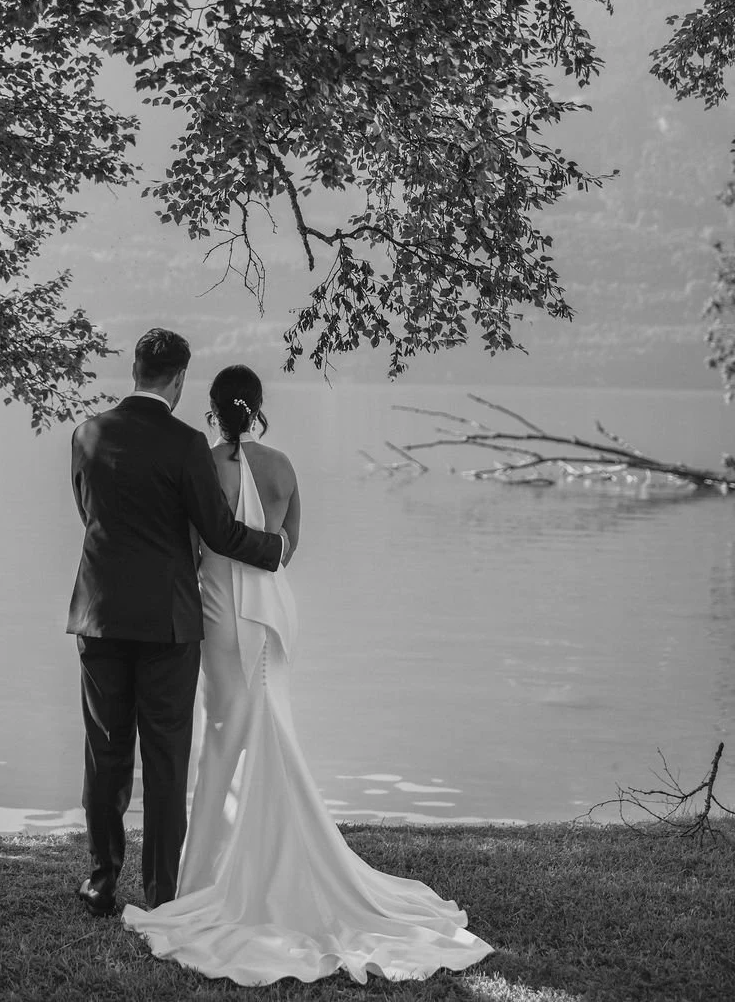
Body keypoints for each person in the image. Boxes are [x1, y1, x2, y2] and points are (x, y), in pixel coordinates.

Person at [122, 364, 494, 985]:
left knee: (222, 741)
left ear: (212, 410)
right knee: (272, 729)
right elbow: (289, 543)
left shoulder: (200, 465)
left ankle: (208, 880)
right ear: (258, 406)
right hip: (274, 613)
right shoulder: (284, 467)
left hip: (219, 616)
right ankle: (276, 860)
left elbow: (194, 547)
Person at [66, 330, 289, 917]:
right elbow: (217, 531)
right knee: (165, 760)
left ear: (136, 369)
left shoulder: (86, 434)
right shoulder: (187, 443)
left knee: (106, 753)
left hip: (99, 615)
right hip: (168, 624)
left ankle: (100, 882)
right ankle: (161, 892)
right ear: (180, 379)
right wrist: (274, 548)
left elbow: (88, 512)